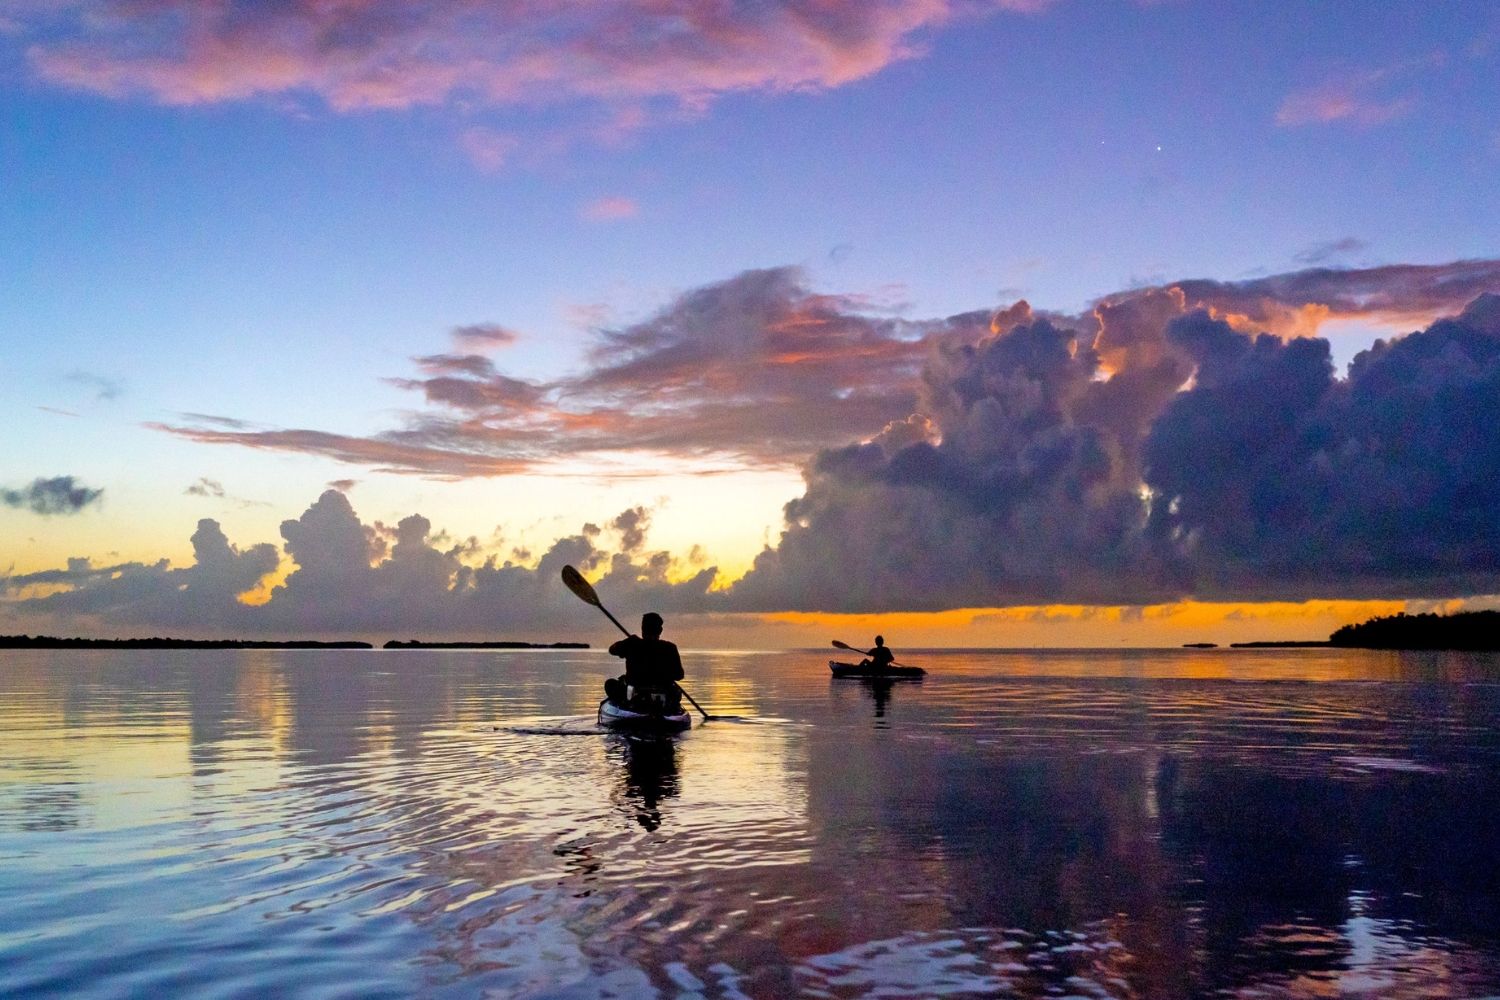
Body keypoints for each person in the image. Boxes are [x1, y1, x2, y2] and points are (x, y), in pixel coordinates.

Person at [605, 612, 684, 712]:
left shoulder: (632, 643)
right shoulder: (670, 648)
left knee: (610, 684)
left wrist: (623, 643)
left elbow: (612, 650)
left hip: (635, 694)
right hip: (661, 693)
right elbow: (679, 675)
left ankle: (626, 704)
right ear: (660, 630)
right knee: (676, 692)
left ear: (642, 629)